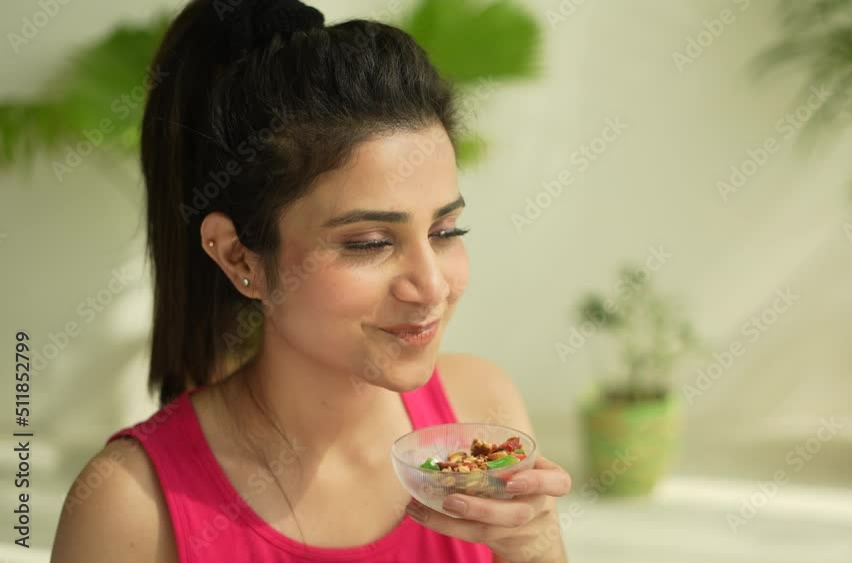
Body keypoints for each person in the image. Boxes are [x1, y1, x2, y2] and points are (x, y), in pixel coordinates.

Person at [49, 0, 571, 561]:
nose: (432, 286)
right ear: (239, 257)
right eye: (370, 243)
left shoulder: (478, 414)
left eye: (446, 230)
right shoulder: (130, 507)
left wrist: (534, 548)